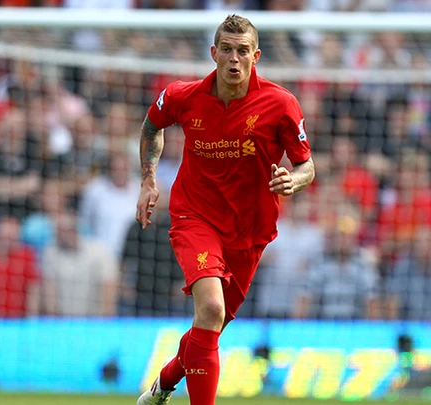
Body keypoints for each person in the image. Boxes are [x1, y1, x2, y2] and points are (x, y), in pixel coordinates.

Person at [135, 14, 315, 405]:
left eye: (243, 51)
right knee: (212, 309)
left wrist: (293, 181)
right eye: (228, 50)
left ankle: (163, 384)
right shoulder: (183, 96)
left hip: (250, 230)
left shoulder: (281, 104)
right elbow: (151, 126)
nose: (235, 59)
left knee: (210, 325)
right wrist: (148, 179)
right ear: (214, 53)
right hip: (195, 216)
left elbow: (306, 165)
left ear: (256, 56)